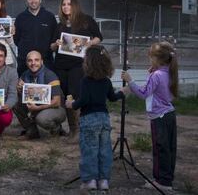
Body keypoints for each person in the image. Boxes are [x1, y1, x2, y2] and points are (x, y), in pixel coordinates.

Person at [65, 45, 124, 193]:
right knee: (105, 151)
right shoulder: (106, 81)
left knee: (89, 151)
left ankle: (90, 180)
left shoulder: (85, 81)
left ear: (88, 63)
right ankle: (104, 181)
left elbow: (83, 100)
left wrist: (71, 104)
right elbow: (112, 98)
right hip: (104, 119)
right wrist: (122, 93)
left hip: (89, 119)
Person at [121, 41, 178, 191]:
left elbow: (144, 93)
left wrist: (130, 81)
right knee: (169, 149)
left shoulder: (156, 75)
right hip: (169, 115)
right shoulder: (169, 72)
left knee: (160, 150)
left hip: (159, 117)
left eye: (151, 58)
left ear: (157, 59)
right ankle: (167, 179)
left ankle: (161, 182)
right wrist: (151, 73)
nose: (149, 61)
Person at [50, 0, 103, 143]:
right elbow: (52, 46)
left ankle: (79, 130)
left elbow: (99, 36)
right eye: (63, 4)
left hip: (78, 65)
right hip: (61, 65)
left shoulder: (86, 20)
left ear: (75, 5)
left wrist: (90, 43)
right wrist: (56, 44)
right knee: (66, 95)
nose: (66, 7)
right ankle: (72, 129)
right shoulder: (59, 24)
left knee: (75, 94)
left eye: (69, 4)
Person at [13, 51, 66, 139]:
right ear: (26, 63)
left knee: (42, 118)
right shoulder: (25, 75)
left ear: (42, 61)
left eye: (36, 60)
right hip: (36, 105)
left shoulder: (50, 75)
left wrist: (36, 108)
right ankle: (32, 131)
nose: (33, 63)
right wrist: (18, 89)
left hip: (55, 108)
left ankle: (57, 129)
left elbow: (57, 102)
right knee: (14, 101)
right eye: (30, 61)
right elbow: (24, 96)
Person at [14, 0, 57, 76]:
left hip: (46, 62)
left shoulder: (49, 17)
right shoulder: (20, 18)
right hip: (24, 62)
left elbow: (54, 38)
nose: (33, 1)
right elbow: (16, 40)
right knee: (24, 89)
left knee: (46, 89)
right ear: (26, 0)